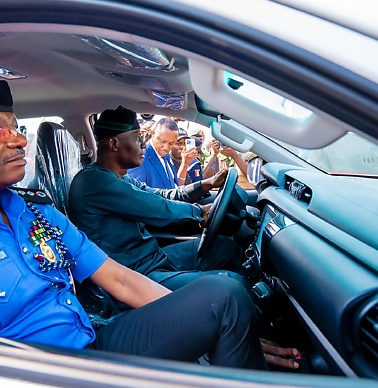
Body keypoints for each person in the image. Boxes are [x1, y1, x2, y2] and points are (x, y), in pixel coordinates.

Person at [0, 80, 273, 370]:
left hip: (94, 343)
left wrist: (209, 328)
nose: (19, 140)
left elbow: (119, 280)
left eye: (15, 127)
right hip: (44, 375)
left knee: (223, 296)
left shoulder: (37, 213)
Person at [69, 106, 246, 292]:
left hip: (148, 258)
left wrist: (206, 184)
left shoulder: (119, 177)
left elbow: (161, 195)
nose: (144, 144)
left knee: (226, 247)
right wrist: (200, 213)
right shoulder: (95, 180)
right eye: (138, 138)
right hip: (130, 274)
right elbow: (159, 208)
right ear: (113, 144)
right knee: (232, 285)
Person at [127, 117, 178, 188]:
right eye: (162, 141)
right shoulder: (139, 158)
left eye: (171, 143)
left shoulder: (167, 156)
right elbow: (135, 193)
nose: (166, 147)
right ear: (153, 134)